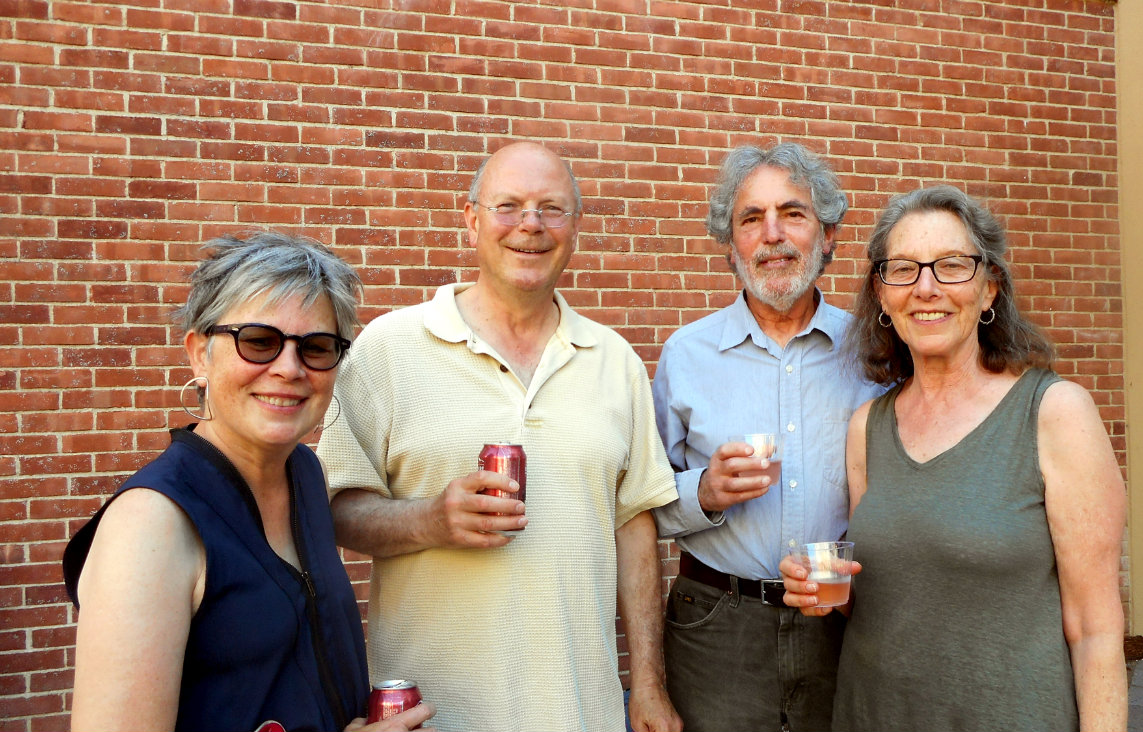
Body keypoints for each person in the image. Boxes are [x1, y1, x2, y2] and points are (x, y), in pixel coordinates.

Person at [315, 141, 682, 732]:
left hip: (580, 710)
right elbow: (334, 512)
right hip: (434, 714)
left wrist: (648, 685)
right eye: (508, 205)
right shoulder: (387, 349)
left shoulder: (615, 361)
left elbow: (635, 526)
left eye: (551, 208)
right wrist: (431, 520)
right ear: (472, 220)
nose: (530, 225)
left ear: (576, 226)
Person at [779, 185, 1127, 731]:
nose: (926, 288)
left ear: (989, 289)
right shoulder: (867, 428)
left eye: (951, 266)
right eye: (903, 269)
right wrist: (820, 591)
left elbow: (1096, 629)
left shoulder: (1055, 412)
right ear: (882, 294)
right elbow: (884, 594)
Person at [62, 232, 436, 732]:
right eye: (258, 341)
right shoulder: (152, 523)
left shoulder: (304, 475)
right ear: (199, 355)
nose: (288, 368)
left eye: (316, 347)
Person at [651, 142, 886, 732]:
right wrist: (704, 492)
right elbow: (641, 505)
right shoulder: (686, 355)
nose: (772, 234)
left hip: (845, 616)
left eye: (793, 213)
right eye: (751, 219)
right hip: (715, 623)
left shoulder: (877, 356)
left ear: (827, 235)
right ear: (732, 247)